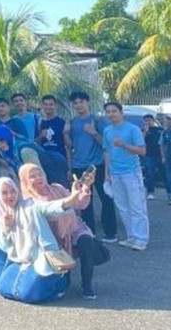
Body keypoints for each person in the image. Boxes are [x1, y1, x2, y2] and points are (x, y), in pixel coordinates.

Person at [19, 162, 108, 299]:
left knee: (86, 241)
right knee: (63, 277)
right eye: (32, 176)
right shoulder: (28, 201)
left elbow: (80, 204)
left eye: (40, 174)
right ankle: (62, 282)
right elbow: (50, 212)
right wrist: (69, 200)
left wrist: (85, 187)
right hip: (52, 238)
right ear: (25, 180)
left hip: (74, 229)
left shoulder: (57, 188)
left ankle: (87, 285)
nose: (38, 178)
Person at [0, 177, 83, 304]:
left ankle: (60, 281)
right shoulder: (2, 216)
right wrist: (6, 228)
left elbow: (50, 207)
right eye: (4, 193)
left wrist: (71, 199)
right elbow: (4, 247)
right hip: (20, 260)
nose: (9, 195)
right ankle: (33, 282)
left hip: (41, 256)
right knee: (3, 289)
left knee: (28, 295)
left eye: (12, 191)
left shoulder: (31, 206)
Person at [66, 91, 117, 242]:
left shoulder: (99, 120)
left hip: (98, 165)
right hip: (78, 166)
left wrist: (94, 132)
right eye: (75, 103)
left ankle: (110, 233)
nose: (78, 105)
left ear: (88, 102)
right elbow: (70, 146)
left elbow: (107, 144)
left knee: (106, 198)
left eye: (81, 101)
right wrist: (65, 133)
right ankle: (89, 233)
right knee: (84, 201)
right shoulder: (73, 122)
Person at [101, 101, 148, 250]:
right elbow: (107, 152)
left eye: (114, 111)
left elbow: (142, 151)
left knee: (136, 206)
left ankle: (141, 238)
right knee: (122, 207)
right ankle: (131, 236)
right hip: (115, 174)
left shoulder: (133, 129)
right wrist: (107, 174)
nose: (111, 114)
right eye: (108, 112)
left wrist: (124, 145)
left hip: (131, 173)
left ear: (121, 112)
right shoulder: (107, 130)